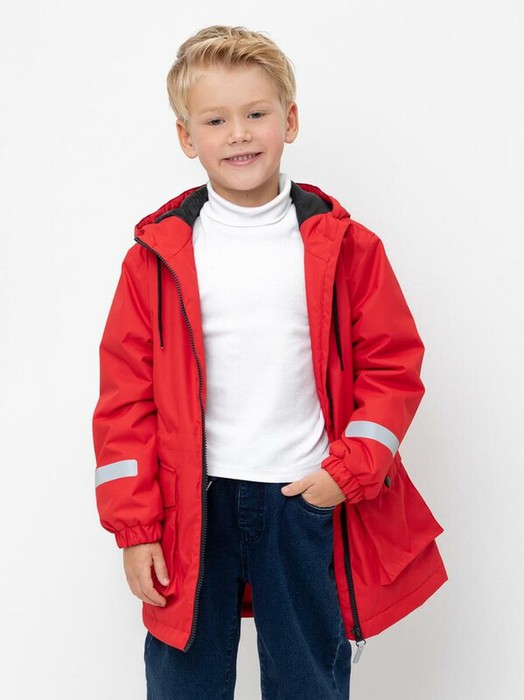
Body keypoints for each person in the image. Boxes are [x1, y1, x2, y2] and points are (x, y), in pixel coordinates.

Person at [92, 24, 447, 699]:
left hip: (302, 498)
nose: (239, 134)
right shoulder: (154, 259)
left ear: (290, 120)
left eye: (256, 114)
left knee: (308, 681)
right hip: (193, 507)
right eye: (215, 120)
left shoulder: (348, 246)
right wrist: (136, 527)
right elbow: (124, 401)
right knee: (183, 684)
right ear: (186, 137)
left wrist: (347, 473)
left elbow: (392, 367)